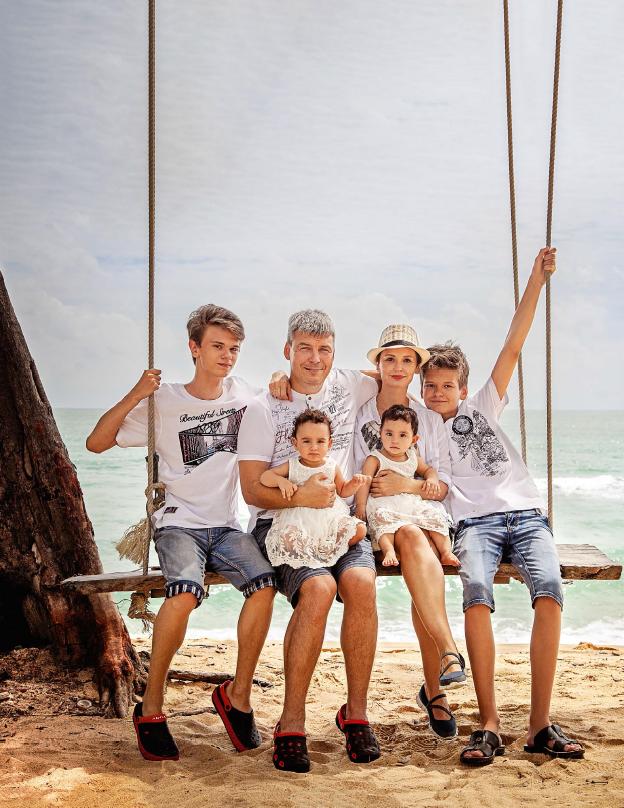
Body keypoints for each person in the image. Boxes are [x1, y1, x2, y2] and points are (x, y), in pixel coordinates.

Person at [86, 305, 277, 761]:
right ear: (194, 348)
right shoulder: (165, 401)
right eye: (217, 346)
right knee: (185, 592)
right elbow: (96, 442)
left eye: (234, 349)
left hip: (225, 525)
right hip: (177, 523)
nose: (227, 356)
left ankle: (238, 697)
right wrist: (138, 392)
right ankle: (151, 705)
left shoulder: (245, 395)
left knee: (265, 586)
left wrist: (280, 382)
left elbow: (283, 398)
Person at [420, 247, 584, 765]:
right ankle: (488, 723)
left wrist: (537, 279)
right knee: (476, 593)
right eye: (431, 386)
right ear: (422, 389)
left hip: (527, 516)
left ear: (463, 388)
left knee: (550, 590)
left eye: (448, 386)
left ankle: (539, 724)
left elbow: (514, 343)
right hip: (474, 525)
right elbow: (379, 380)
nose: (439, 393)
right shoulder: (422, 429)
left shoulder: (483, 404)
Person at [238, 309, 381, 773]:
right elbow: (251, 489)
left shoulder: (350, 384)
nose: (314, 359)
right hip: (285, 525)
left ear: (334, 354)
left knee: (361, 583)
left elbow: (397, 372)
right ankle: (292, 721)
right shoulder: (263, 407)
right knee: (319, 588)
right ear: (287, 350)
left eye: (323, 350)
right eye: (304, 348)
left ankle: (355, 715)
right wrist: (301, 495)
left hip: (336, 522)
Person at [353, 324, 466, 743]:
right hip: (375, 517)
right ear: (378, 364)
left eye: (407, 359)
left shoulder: (428, 418)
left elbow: (441, 481)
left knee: (420, 545)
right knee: (415, 544)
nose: (398, 367)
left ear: (417, 366)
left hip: (416, 512)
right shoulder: (359, 410)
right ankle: (442, 669)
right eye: (389, 359)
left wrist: (407, 485)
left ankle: (439, 679)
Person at [261, 409, 368, 569]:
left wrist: (354, 483)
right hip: (300, 518)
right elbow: (265, 477)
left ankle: (327, 548)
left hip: (330, 517)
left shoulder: (331, 465)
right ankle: (313, 548)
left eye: (320, 441)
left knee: (360, 529)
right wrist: (280, 481)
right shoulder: (293, 465)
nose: (314, 447)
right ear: (295, 443)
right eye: (306, 441)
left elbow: (342, 490)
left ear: (329, 443)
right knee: (288, 539)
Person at [356, 404, 457, 568]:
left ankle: (446, 552)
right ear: (381, 433)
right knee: (383, 521)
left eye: (403, 435)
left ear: (414, 439)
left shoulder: (412, 456)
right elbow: (364, 482)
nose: (394, 440)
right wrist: (360, 506)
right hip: (385, 503)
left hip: (409, 502)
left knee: (433, 516)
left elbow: (428, 470)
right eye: (389, 434)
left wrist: (432, 479)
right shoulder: (375, 459)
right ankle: (389, 550)